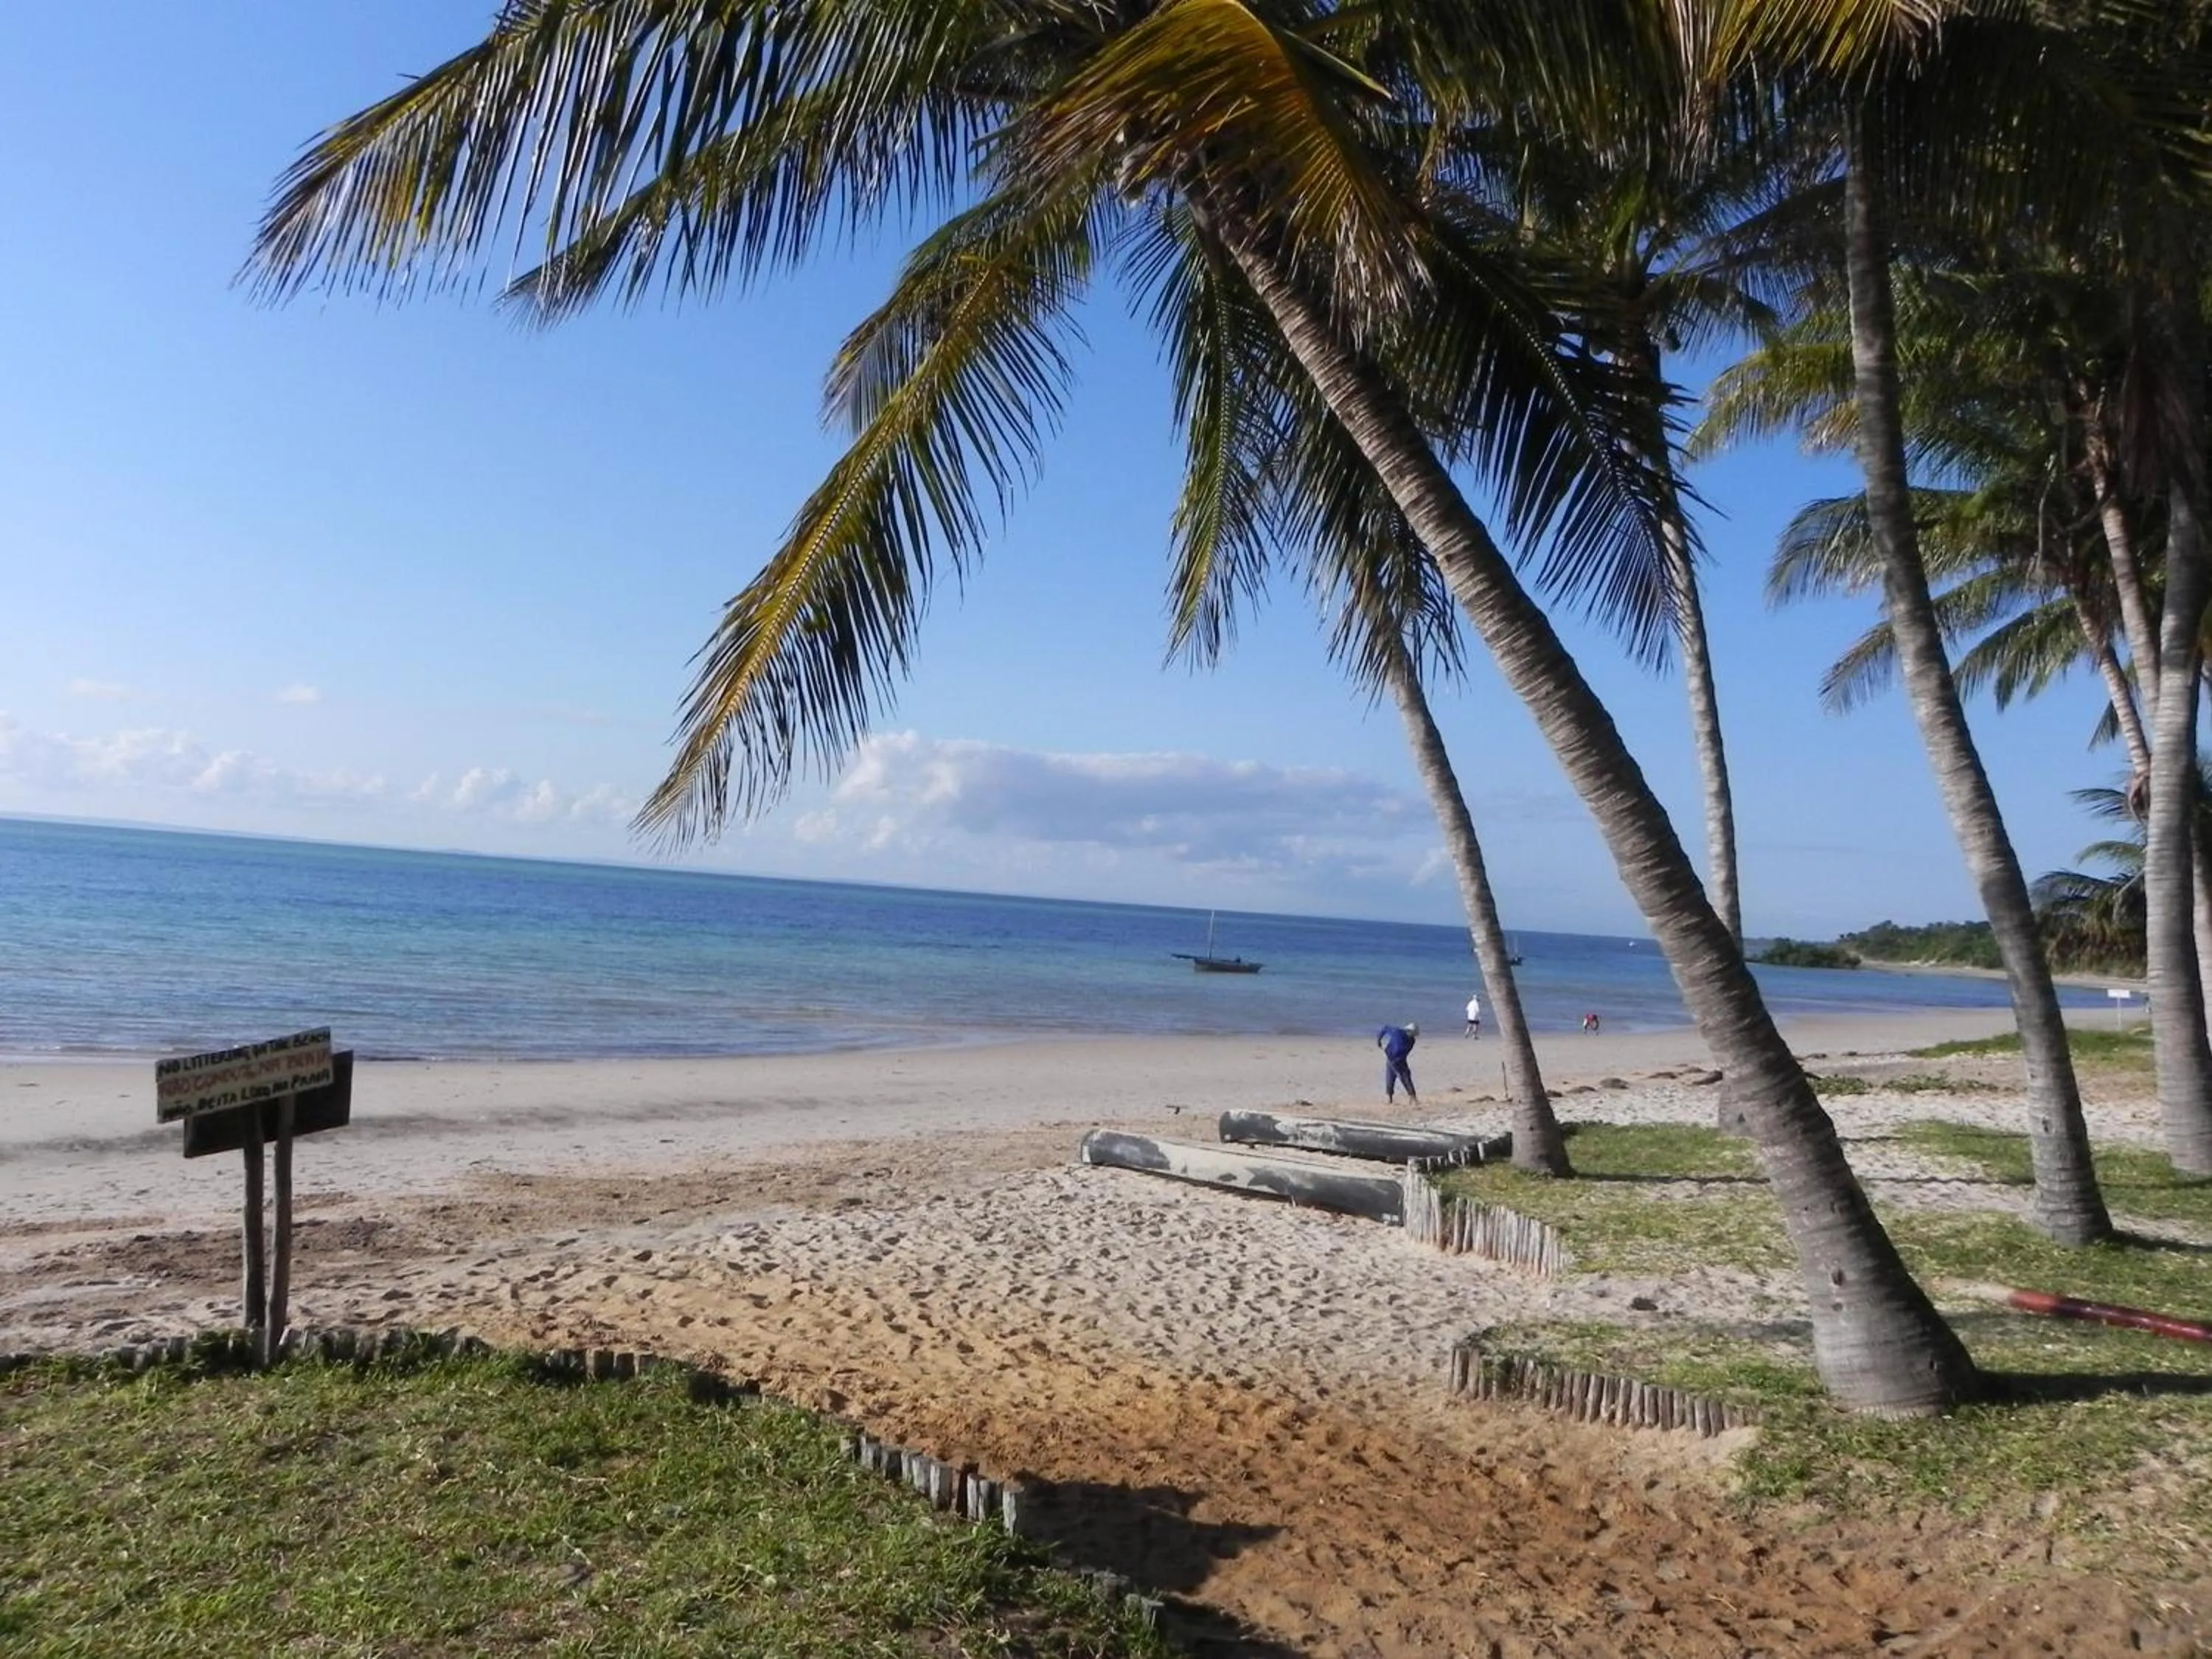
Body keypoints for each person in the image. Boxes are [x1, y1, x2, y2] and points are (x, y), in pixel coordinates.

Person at [1376, 1020, 1419, 1104]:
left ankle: (1412, 1097)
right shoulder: (1397, 1032)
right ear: (1409, 1031)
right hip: (1393, 1059)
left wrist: (1382, 1044)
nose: (1414, 1036)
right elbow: (1385, 1028)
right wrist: (1379, 1041)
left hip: (1398, 1059)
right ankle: (1391, 1099)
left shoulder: (1411, 1041)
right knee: (1393, 1078)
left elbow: (1385, 1028)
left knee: (1404, 1077)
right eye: (1413, 1034)